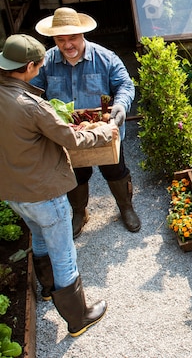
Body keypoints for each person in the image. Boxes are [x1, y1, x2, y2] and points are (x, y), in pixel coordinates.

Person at [0, 34, 115, 336]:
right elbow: (71, 137)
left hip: (13, 192)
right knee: (63, 252)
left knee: (39, 236)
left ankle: (48, 289)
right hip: (43, 193)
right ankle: (79, 318)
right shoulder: (31, 105)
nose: (41, 67)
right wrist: (105, 133)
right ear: (28, 67)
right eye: (38, 64)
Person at [31, 7, 141, 236]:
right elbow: (32, 91)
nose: (67, 45)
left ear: (82, 35)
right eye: (61, 40)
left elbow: (125, 85)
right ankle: (80, 212)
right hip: (67, 132)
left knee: (115, 171)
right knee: (74, 175)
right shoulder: (47, 61)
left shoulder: (105, 57)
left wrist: (120, 106)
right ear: (54, 39)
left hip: (103, 129)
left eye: (72, 38)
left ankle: (125, 206)